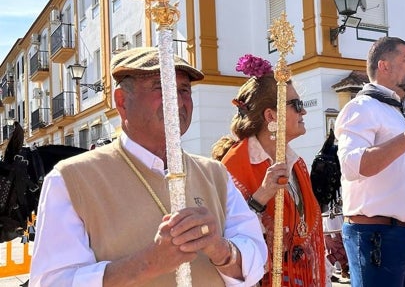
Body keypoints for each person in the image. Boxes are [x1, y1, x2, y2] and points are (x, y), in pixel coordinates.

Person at [30, 46, 267, 286]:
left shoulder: (214, 173)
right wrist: (147, 264)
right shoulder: (71, 179)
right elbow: (53, 281)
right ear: (122, 101)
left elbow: (256, 260)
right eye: (161, 88)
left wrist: (222, 251)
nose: (177, 100)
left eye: (184, 90)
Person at [335, 36, 405, 287]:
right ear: (383, 65)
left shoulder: (402, 112)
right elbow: (353, 167)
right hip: (378, 235)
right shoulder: (361, 108)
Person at [212, 54, 326, 287]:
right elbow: (225, 236)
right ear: (271, 116)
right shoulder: (234, 165)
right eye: (297, 105)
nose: (303, 112)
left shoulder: (297, 163)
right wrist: (262, 194)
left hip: (299, 276)